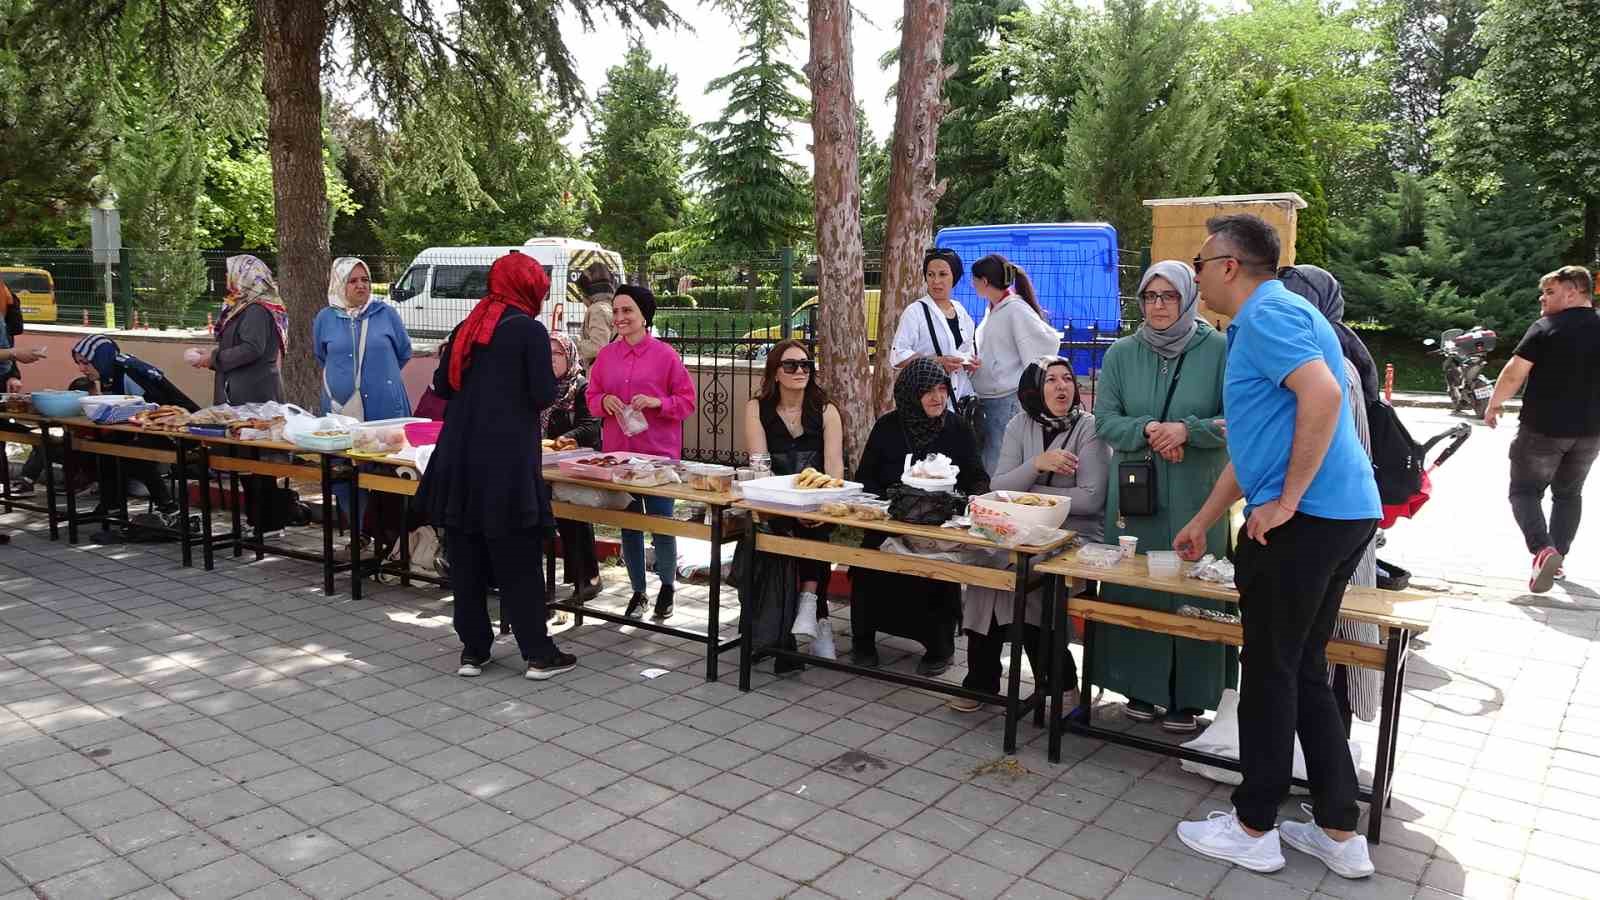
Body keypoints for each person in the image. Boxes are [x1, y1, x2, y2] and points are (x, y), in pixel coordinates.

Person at [1171, 215, 1381, 879]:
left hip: (1307, 520)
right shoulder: (1286, 315)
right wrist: (1206, 517)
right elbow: (1259, 439)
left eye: (1200, 261)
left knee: (1269, 670)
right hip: (1341, 515)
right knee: (1303, 667)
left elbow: (1321, 395)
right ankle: (1339, 830)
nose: (1196, 273)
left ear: (1229, 265)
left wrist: (1286, 501)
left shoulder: (1265, 316)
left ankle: (1253, 825)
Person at [417, 251, 575, 681]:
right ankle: (538, 653)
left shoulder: (468, 325)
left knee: (465, 551)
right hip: (505, 460)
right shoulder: (527, 330)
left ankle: (474, 649)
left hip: (459, 454)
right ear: (527, 288)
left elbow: (444, 384)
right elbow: (543, 392)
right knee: (518, 555)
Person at [1092, 260, 1233, 734]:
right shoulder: (1121, 354)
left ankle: (1190, 698)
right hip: (1137, 495)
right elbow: (1104, 418)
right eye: (1150, 296)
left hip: (1199, 493)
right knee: (1135, 582)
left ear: (1188, 298)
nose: (1157, 305)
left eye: (1168, 296)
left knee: (1196, 585)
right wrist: (1150, 429)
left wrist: (1186, 431)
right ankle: (1138, 686)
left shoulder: (1219, 350)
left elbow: (1234, 420)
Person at [949, 356, 1108, 712]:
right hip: (1021, 530)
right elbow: (999, 485)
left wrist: (1031, 496)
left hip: (1073, 534)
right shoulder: (1019, 425)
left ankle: (1059, 682)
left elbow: (1091, 498)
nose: (1061, 386)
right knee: (987, 566)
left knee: (1028, 574)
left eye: (1067, 378)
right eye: (1050, 380)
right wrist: (1038, 464)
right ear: (1034, 390)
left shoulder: (1089, 428)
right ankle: (985, 678)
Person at [1281, 264, 1382, 733]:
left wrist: (1283, 502)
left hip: (1330, 516)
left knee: (1325, 644)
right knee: (1314, 646)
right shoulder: (1326, 352)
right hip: (1332, 514)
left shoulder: (1331, 363)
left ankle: (1326, 749)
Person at [850, 358, 990, 676]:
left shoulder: (956, 428)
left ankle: (939, 646)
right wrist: (890, 501)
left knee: (936, 565)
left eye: (942, 389)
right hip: (889, 520)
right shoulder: (887, 427)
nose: (937, 398)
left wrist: (971, 498)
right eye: (927, 391)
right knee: (868, 558)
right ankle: (863, 639)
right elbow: (866, 478)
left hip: (938, 526)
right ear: (910, 394)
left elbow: (977, 477)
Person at [1485, 265, 1600, 593]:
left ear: (1573, 291)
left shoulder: (1546, 327)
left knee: (1524, 491)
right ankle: (1558, 558)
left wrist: (1494, 404)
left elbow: (1513, 373)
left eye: (1550, 292)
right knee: (1569, 494)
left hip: (1543, 430)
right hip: (1590, 433)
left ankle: (1542, 550)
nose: (1543, 298)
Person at [585, 284, 696, 621]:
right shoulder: (606, 356)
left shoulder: (665, 356)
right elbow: (591, 396)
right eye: (616, 311)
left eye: (627, 311)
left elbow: (687, 401)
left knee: (661, 522)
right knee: (628, 525)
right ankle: (637, 591)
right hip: (620, 456)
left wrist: (657, 403)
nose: (620, 318)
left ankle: (666, 587)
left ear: (644, 315)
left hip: (657, 458)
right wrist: (604, 401)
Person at [744, 340, 845, 659]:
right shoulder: (756, 408)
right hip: (775, 501)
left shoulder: (826, 411)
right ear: (775, 373)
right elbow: (760, 466)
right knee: (781, 531)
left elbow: (834, 468)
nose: (800, 371)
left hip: (816, 500)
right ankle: (807, 611)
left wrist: (818, 506)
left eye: (805, 365)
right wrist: (789, 506)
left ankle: (814, 610)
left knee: (817, 529)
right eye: (790, 366)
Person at [314, 257, 413, 545]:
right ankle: (360, 530)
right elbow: (322, 355)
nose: (360, 286)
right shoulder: (326, 318)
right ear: (338, 284)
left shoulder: (386, 314)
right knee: (343, 470)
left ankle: (390, 535)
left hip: (385, 407)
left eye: (365, 280)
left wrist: (379, 378)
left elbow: (403, 352)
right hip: (341, 409)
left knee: (387, 470)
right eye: (352, 280)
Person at [71, 335, 201, 536]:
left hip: (181, 428)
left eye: (86, 363)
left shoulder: (130, 372)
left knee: (133, 450)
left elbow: (157, 410)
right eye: (78, 363)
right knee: (105, 444)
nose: (82, 369)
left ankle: (168, 507)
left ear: (101, 359)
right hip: (146, 427)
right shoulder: (110, 371)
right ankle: (111, 504)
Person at [969, 253, 1063, 473]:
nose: (972, 285)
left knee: (999, 461)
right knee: (991, 458)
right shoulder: (996, 309)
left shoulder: (1015, 309)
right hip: (991, 398)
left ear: (983, 281)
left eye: (974, 280)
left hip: (1006, 398)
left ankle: (999, 503)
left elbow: (1044, 343)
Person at [544, 331, 603, 607]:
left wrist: (567, 438)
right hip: (542, 465)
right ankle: (550, 583)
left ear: (568, 356)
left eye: (556, 353)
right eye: (547, 353)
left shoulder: (581, 387)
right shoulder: (541, 386)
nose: (551, 359)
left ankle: (588, 578)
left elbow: (591, 427)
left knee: (574, 519)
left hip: (572, 465)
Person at [190, 254, 287, 404]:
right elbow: (238, 344)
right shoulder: (243, 306)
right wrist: (211, 356)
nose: (227, 275)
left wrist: (213, 359)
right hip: (244, 391)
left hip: (253, 396)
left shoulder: (257, 309)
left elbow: (252, 348)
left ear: (245, 276)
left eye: (231, 271)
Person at [890, 248, 979, 407]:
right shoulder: (915, 312)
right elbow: (898, 356)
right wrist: (936, 361)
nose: (936, 281)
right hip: (927, 400)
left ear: (954, 277)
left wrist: (968, 362)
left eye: (942, 274)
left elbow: (966, 349)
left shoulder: (960, 311)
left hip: (958, 398)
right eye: (931, 274)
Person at [576, 262, 617, 368]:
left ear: (587, 293)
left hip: (600, 372)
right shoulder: (613, 306)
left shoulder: (598, 310)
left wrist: (576, 344)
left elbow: (598, 347)